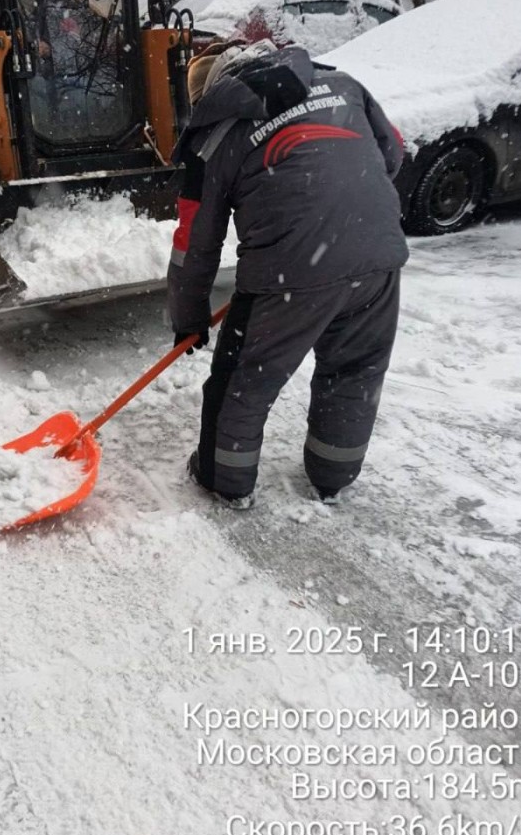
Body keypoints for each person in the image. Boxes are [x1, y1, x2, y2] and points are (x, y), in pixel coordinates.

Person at [168, 38, 409, 508]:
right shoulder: (344, 85)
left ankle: (224, 479)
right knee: (354, 371)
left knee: (243, 379)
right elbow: (393, 152)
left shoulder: (217, 135)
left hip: (289, 276)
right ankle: (332, 476)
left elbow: (194, 246)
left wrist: (189, 315)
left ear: (214, 93)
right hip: (378, 258)